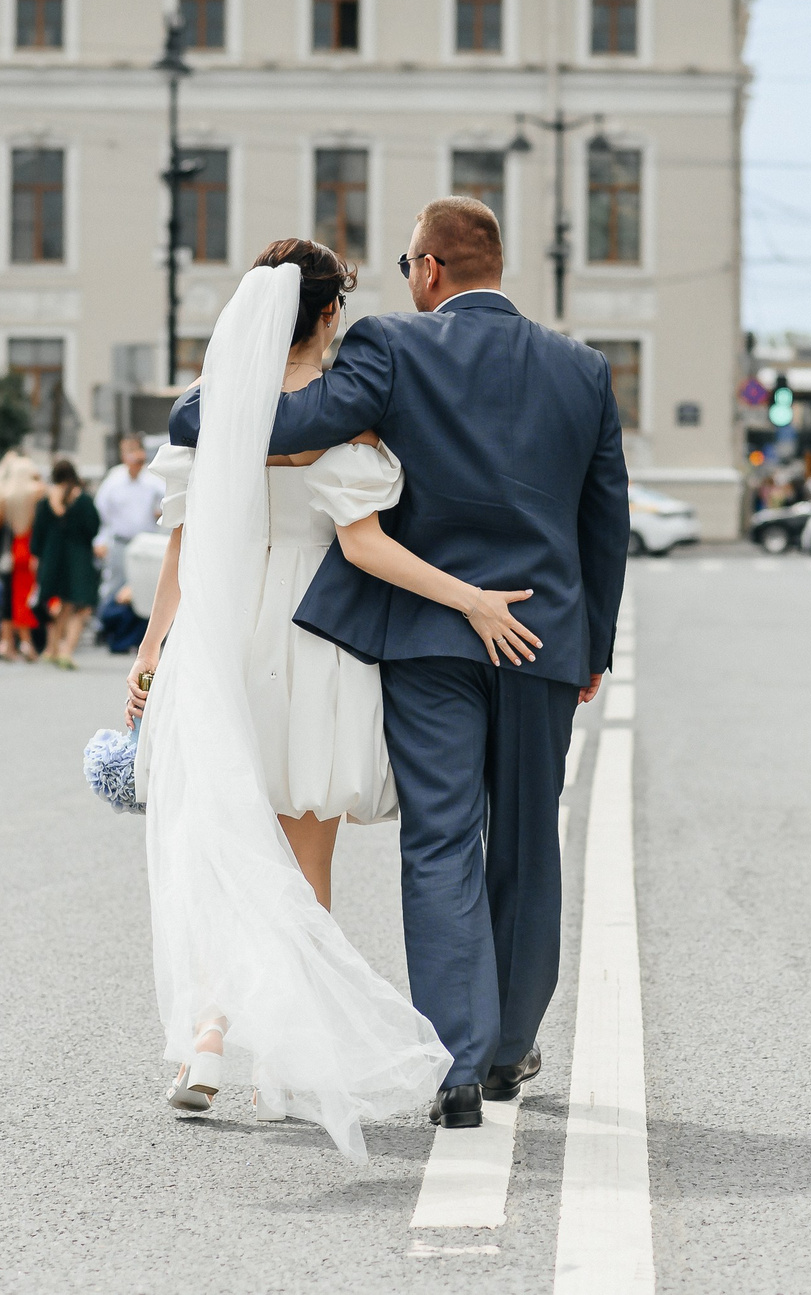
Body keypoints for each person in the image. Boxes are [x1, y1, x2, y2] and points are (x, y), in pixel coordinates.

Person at [163, 196, 628, 1131]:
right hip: (541, 637)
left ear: (430, 269)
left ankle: (457, 1066)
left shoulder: (392, 347)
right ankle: (508, 1049)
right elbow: (604, 517)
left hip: (428, 638)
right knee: (528, 841)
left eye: (410, 263)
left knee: (441, 838)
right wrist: (593, 647)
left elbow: (288, 422)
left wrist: (199, 397)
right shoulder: (583, 368)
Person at [132, 256, 484, 1158]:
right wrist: (469, 597)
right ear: (329, 316)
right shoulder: (340, 418)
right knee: (304, 857)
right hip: (317, 634)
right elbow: (363, 546)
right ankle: (285, 1060)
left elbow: (182, 548)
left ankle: (208, 1039)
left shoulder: (212, 411)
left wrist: (153, 649)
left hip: (223, 632)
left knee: (226, 842)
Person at [32, 459, 100, 667]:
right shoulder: (83, 500)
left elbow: (37, 535)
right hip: (78, 559)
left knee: (61, 604)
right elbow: (93, 527)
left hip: (53, 559)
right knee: (80, 607)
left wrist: (38, 557)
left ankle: (52, 648)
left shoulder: (46, 500)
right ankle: (66, 651)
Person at [0, 450, 48, 661]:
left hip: (14, 549)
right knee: (29, 598)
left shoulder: (5, 495)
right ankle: (29, 643)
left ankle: (15, 642)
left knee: (15, 598)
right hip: (31, 547)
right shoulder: (37, 493)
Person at [93, 433, 162, 609]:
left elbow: (168, 503)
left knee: (145, 590)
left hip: (145, 545)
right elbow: (101, 514)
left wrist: (160, 512)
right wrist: (101, 540)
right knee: (113, 588)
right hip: (120, 543)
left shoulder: (154, 479)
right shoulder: (113, 479)